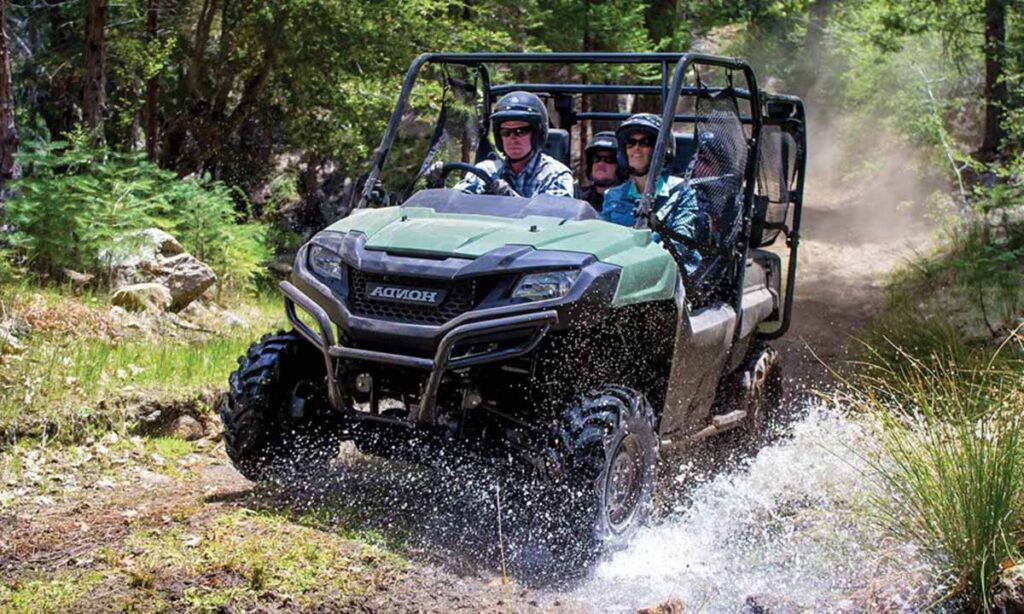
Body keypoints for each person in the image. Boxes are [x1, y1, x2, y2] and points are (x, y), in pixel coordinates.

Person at [600, 113, 701, 275]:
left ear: (661, 150)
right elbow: (603, 239)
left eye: (645, 143)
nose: (636, 149)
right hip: (623, 274)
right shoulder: (613, 196)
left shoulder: (681, 191)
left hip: (669, 276)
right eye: (630, 143)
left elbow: (681, 239)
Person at [453, 91, 575, 198]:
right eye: (506, 132)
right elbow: (455, 204)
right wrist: (437, 185)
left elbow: (555, 218)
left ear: (537, 134)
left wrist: (512, 200)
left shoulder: (555, 175)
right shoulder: (486, 171)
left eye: (521, 131)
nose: (513, 138)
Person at [579, 131, 622, 212]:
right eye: (597, 159)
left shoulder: (629, 201)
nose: (601, 164)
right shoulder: (578, 199)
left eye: (609, 159)